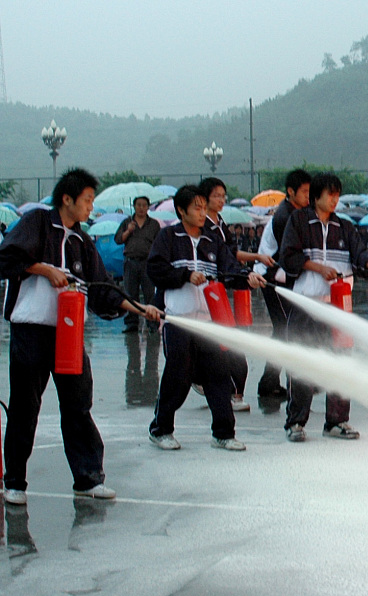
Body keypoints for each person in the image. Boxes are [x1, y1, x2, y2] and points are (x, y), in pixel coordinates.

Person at [1, 168, 162, 505]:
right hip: (31, 330)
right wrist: (45, 270)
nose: (90, 207)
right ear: (67, 199)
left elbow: (102, 289)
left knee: (78, 405)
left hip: (69, 334)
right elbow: (7, 257)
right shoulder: (36, 223)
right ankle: (14, 481)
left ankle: (88, 478)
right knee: (25, 407)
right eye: (87, 200)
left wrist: (139, 308)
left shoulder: (82, 242)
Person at [146, 185, 265, 451]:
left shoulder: (213, 240)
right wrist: (186, 276)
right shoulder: (169, 237)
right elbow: (155, 269)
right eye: (197, 208)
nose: (202, 213)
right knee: (177, 378)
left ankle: (223, 433)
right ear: (181, 210)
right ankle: (160, 429)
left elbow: (228, 268)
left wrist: (246, 277)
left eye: (204, 208)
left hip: (209, 323)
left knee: (218, 377)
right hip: (179, 321)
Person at [279, 172, 368, 442]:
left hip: (338, 307)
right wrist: (319, 268)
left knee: (341, 363)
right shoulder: (299, 221)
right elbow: (288, 256)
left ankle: (337, 421)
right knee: (304, 362)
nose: (334, 199)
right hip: (308, 304)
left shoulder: (344, 227)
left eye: (337, 194)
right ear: (316, 196)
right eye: (330, 194)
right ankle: (296, 422)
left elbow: (360, 253)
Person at [198, 177, 274, 412]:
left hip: (224, 291)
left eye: (223, 196)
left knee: (231, 346)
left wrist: (256, 259)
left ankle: (230, 392)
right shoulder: (201, 228)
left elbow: (230, 255)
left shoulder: (220, 224)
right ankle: (222, 390)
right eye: (216, 196)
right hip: (207, 295)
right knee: (223, 348)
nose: (221, 200)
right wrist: (243, 274)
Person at [253, 168, 310, 398]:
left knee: (284, 330)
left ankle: (270, 382)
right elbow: (291, 254)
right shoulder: (285, 217)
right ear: (291, 192)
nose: (308, 196)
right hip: (271, 277)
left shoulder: (296, 212)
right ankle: (290, 382)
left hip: (281, 277)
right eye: (304, 192)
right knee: (286, 329)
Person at [115, 195, 159, 334]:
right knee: (130, 294)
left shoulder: (154, 224)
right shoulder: (127, 222)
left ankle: (152, 323)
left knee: (149, 294)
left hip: (147, 262)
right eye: (138, 205)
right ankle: (132, 323)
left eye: (144, 205)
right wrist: (128, 230)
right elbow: (118, 240)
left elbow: (158, 243)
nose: (141, 208)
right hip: (131, 262)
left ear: (148, 207)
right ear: (134, 207)